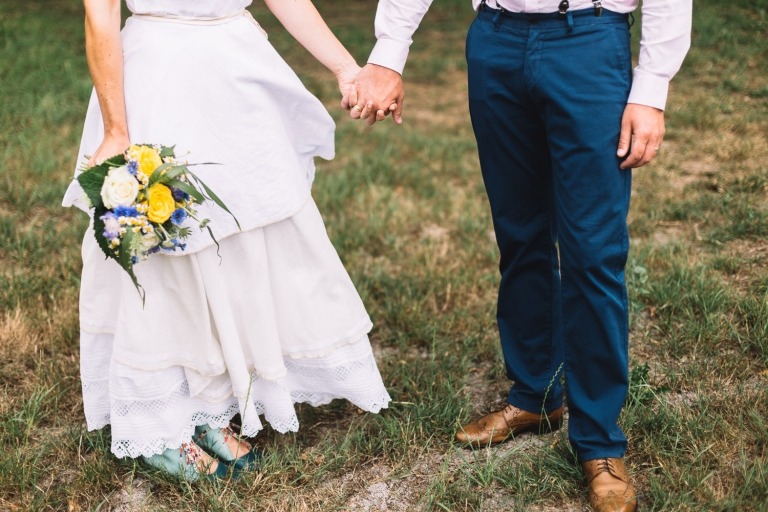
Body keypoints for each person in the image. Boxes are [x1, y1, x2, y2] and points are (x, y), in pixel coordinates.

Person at [347, 0, 691, 510]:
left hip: (590, 39)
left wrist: (652, 88)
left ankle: (599, 441)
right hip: (496, 38)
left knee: (592, 253)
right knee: (519, 234)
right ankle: (535, 395)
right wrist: (388, 53)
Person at [62, 0, 391, 480]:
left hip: (235, 69)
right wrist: (116, 128)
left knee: (241, 238)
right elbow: (100, 14)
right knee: (163, 246)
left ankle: (213, 404)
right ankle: (162, 421)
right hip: (157, 75)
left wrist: (345, 68)